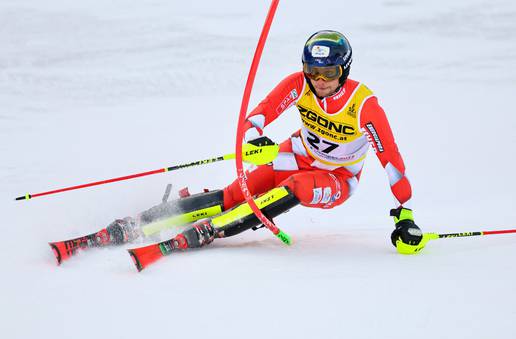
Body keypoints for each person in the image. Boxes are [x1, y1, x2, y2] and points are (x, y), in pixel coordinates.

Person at [106, 30, 425, 255]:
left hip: (338, 177)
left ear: (344, 70)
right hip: (297, 154)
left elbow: (392, 161)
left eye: (329, 72)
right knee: (237, 192)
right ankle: (150, 218)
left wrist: (405, 214)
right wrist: (255, 138)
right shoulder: (300, 85)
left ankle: (213, 229)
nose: (320, 81)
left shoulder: (363, 104)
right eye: (313, 72)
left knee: (298, 186)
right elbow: (258, 117)